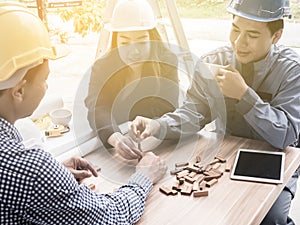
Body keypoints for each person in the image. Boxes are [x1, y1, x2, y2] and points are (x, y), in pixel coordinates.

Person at [131, 0, 300, 224]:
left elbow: (286, 135)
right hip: (225, 158)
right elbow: (194, 113)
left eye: (252, 34)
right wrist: (158, 125)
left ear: (276, 36)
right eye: (235, 29)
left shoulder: (292, 71)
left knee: (271, 218)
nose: (240, 42)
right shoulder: (213, 61)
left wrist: (244, 95)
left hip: (273, 161)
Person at [0, 2, 167, 224]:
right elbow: (111, 217)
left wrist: (54, 175)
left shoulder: (19, 163)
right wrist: (144, 176)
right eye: (44, 80)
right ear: (19, 90)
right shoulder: (28, 168)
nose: (46, 87)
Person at [85, 0, 179, 160]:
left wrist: (152, 125)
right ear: (116, 41)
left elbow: (168, 107)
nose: (134, 51)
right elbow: (98, 107)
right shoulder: (102, 67)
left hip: (157, 143)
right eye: (125, 42)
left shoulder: (167, 61)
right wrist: (116, 138)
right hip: (117, 145)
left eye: (142, 41)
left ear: (152, 38)